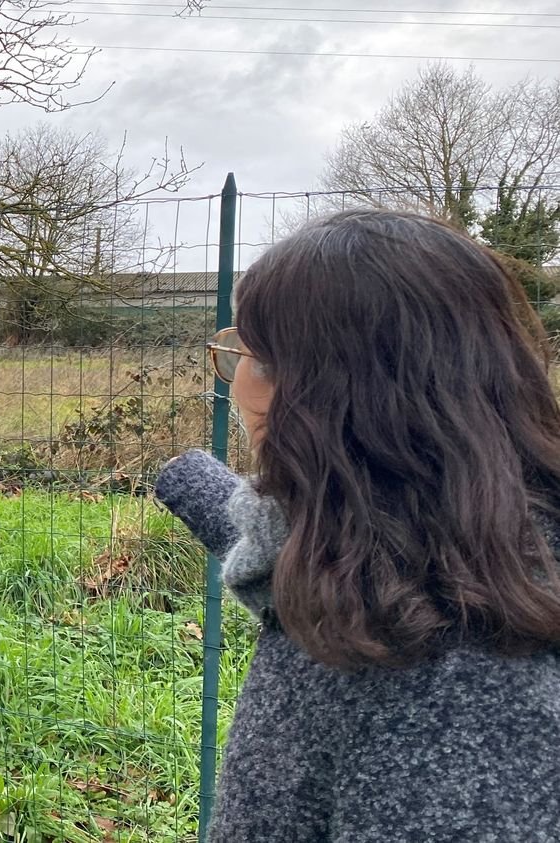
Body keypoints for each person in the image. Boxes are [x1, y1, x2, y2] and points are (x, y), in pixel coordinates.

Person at [155, 209, 560, 841]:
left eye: (257, 358)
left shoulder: (459, 697)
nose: (239, 385)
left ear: (346, 401)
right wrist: (189, 483)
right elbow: (290, 551)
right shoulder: (429, 549)